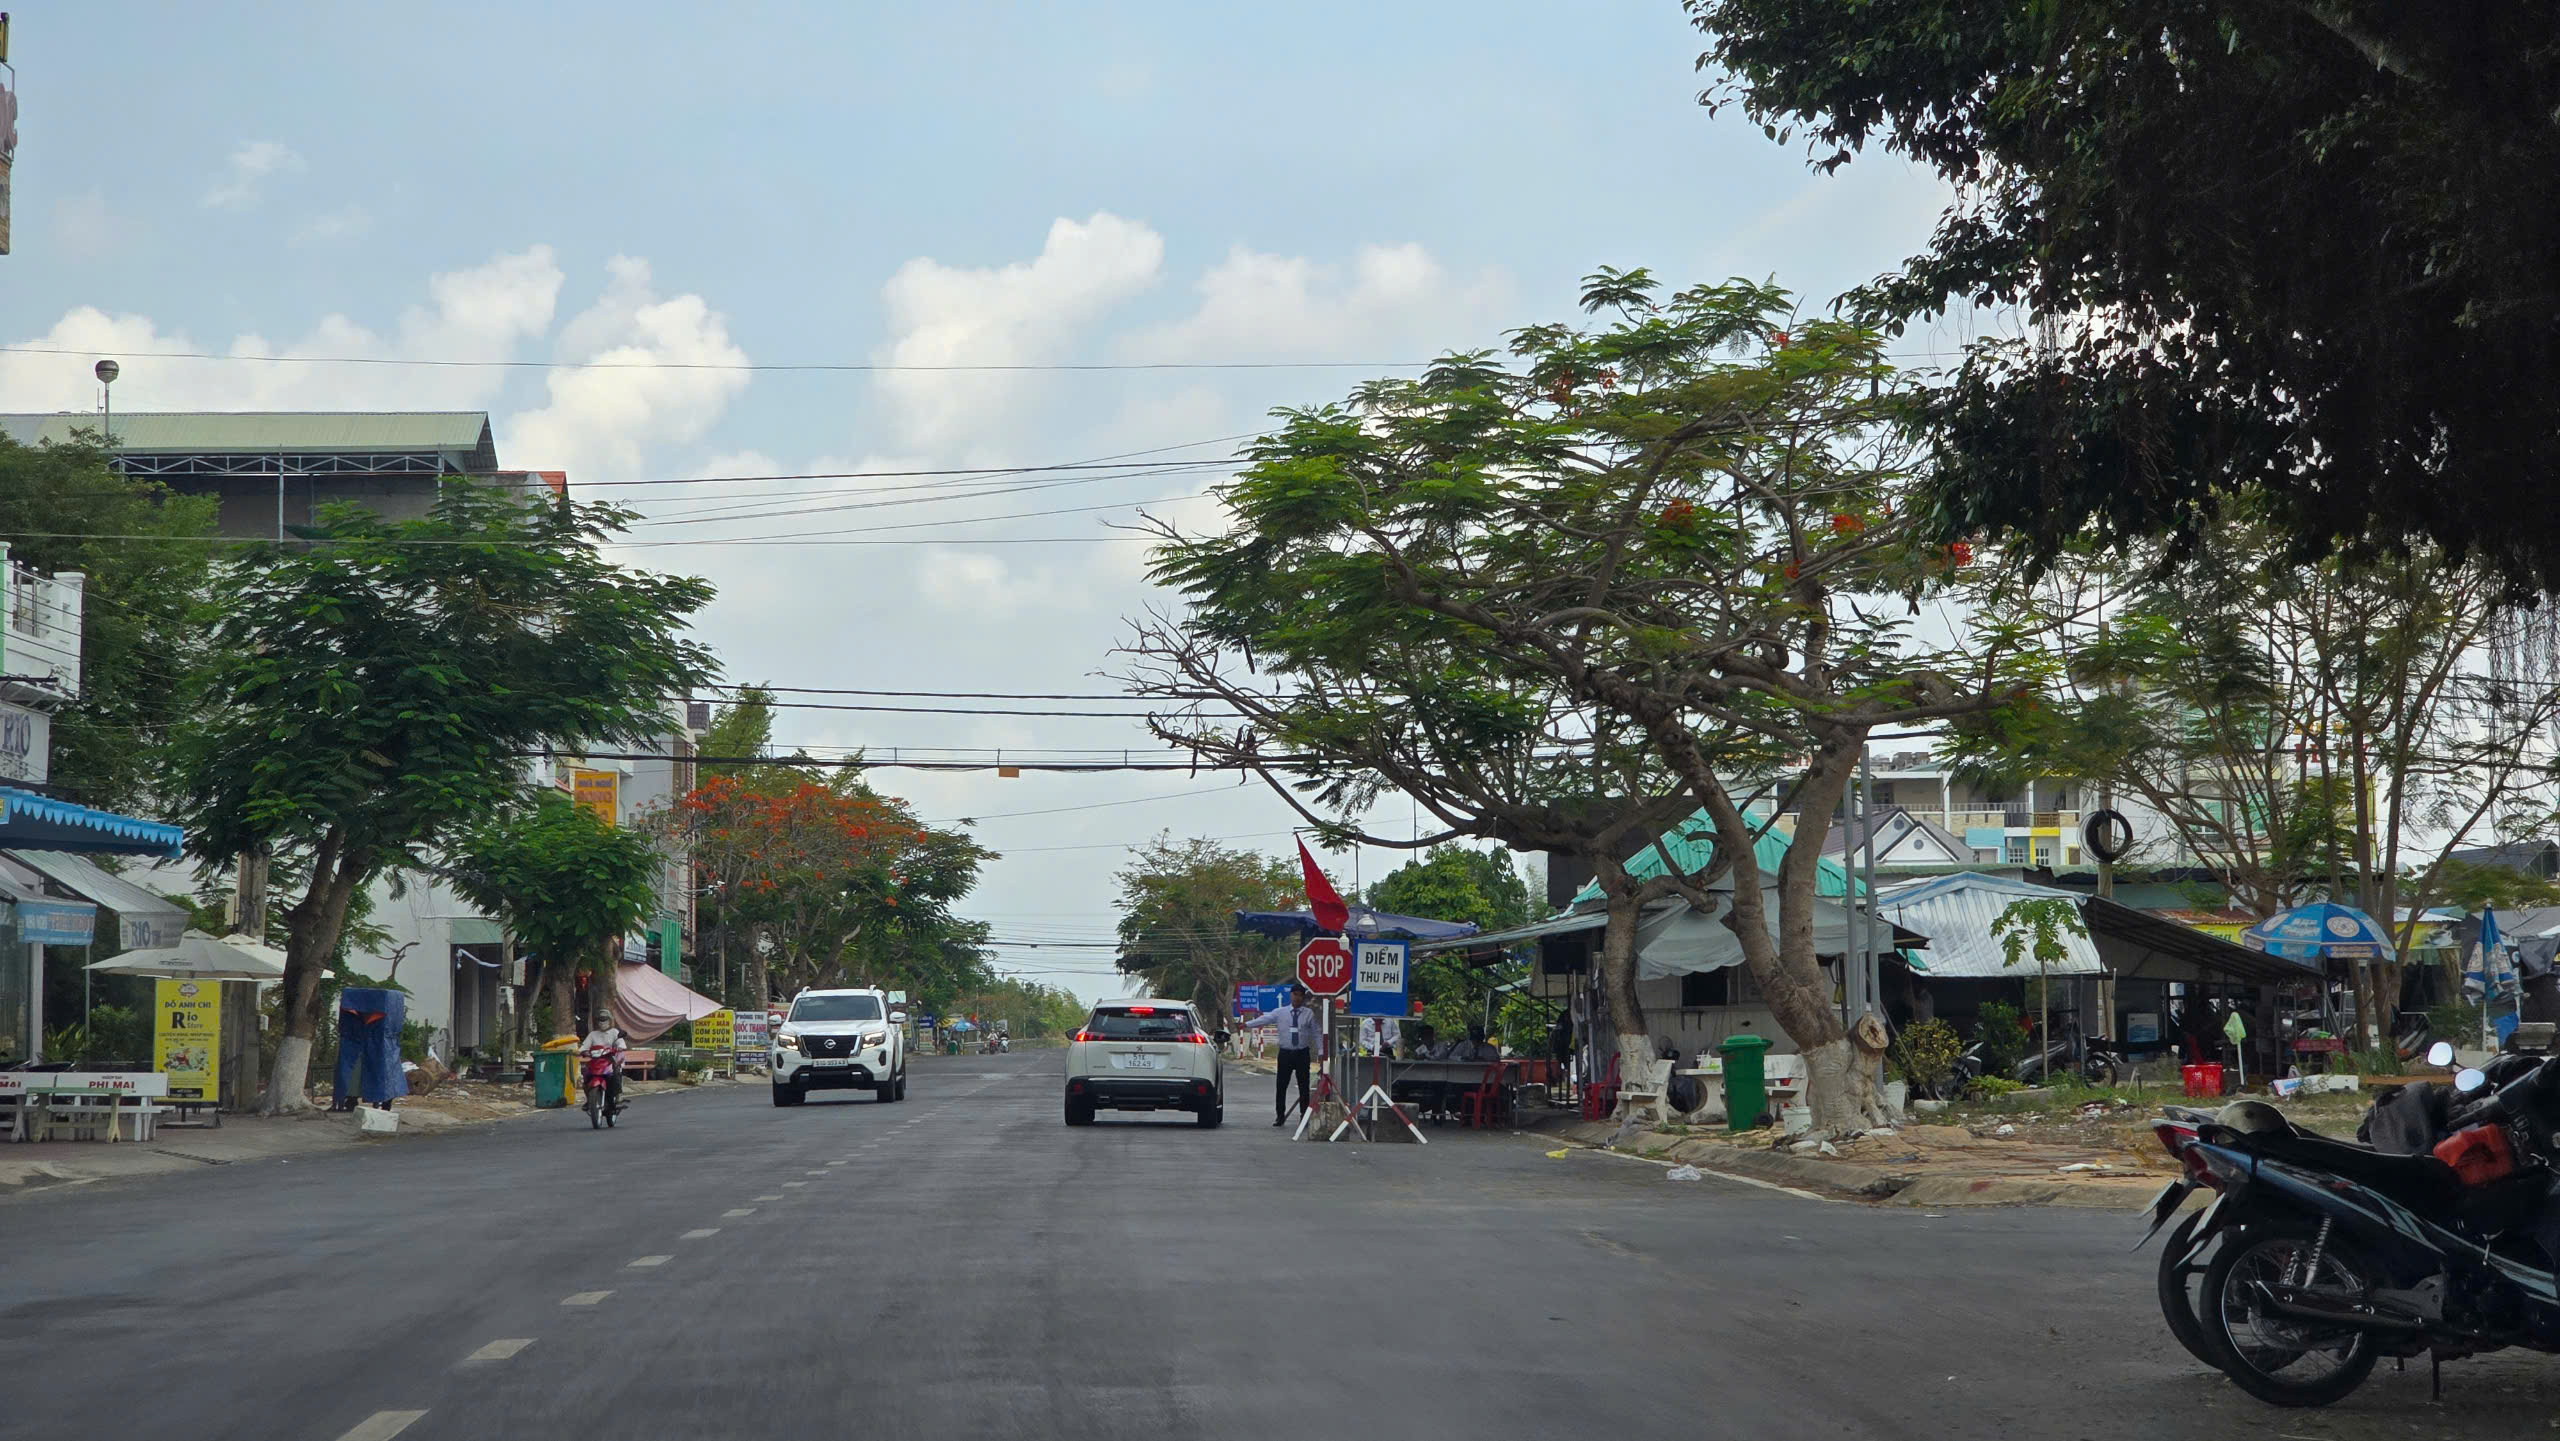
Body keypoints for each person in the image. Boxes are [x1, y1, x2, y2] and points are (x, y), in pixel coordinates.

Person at [1244, 984, 1324, 1126]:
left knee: (1304, 1086)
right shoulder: (1280, 1012)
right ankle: (1280, 1116)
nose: (1297, 998)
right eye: (1295, 994)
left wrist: (1321, 1052)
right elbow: (1264, 1019)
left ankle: (1303, 1116)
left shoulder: (1308, 1013)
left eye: (1300, 995)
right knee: (1281, 1086)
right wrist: (1247, 1024)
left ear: (1303, 997)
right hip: (1285, 1053)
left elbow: (1316, 1033)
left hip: (1302, 1053)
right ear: (1291, 995)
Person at [577, 1018, 628, 1116]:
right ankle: (589, 1099)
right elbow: (584, 1047)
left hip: (610, 1060)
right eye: (600, 1020)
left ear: (609, 1021)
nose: (602, 1022)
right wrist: (582, 1051)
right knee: (586, 1075)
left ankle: (617, 1097)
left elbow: (621, 1044)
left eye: (605, 1019)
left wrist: (619, 1047)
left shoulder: (614, 1032)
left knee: (615, 1074)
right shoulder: (593, 1034)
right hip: (596, 1060)